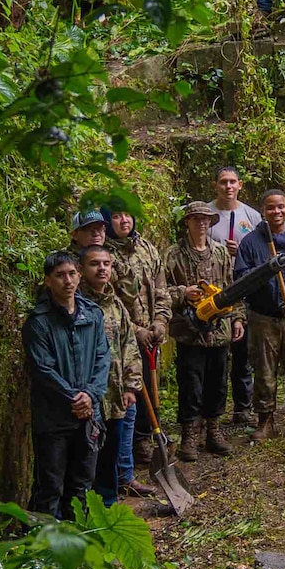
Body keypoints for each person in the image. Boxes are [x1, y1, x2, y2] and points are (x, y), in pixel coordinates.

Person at [23, 250, 108, 519]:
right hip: (54, 420)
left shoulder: (93, 315)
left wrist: (90, 396)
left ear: (79, 276)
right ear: (48, 281)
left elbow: (103, 358)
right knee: (50, 488)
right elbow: (42, 369)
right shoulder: (39, 322)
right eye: (60, 275)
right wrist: (75, 399)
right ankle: (43, 550)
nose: (67, 281)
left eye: (72, 274)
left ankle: (77, 547)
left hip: (88, 418)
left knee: (81, 486)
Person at [233, 188, 285, 439]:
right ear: (263, 212)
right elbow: (241, 278)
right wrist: (265, 272)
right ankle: (265, 420)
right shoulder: (250, 243)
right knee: (264, 370)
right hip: (263, 317)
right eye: (271, 208)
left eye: (281, 207)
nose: (276, 212)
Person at [163, 200, 242, 462]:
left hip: (219, 330)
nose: (201, 224)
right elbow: (160, 291)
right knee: (190, 383)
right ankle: (189, 434)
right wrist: (182, 293)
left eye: (206, 220)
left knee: (217, 383)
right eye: (196, 219)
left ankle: (214, 431)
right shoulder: (173, 254)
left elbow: (233, 289)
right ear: (187, 222)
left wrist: (238, 318)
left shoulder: (220, 253)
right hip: (189, 331)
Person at [104, 198, 170, 469]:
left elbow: (162, 289)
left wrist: (161, 321)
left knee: (149, 389)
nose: (124, 220)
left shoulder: (147, 249)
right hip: (121, 340)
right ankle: (131, 447)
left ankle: (148, 438)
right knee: (129, 391)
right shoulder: (104, 256)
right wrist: (135, 331)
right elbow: (106, 303)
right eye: (117, 216)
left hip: (151, 334)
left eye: (128, 215)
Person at [82, 247, 142, 505]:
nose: (102, 268)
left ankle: (108, 501)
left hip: (115, 391)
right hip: (89, 394)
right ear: (83, 269)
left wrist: (131, 385)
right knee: (87, 453)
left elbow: (129, 344)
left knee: (110, 450)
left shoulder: (115, 304)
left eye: (107, 263)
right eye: (95, 264)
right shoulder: (77, 303)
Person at [210, 167, 263, 426]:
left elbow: (263, 252)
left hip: (244, 291)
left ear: (240, 185)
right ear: (215, 186)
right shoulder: (206, 214)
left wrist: (241, 250)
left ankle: (243, 407)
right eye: (223, 182)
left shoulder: (251, 215)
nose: (228, 186)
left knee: (243, 354)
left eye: (232, 182)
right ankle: (213, 413)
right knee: (218, 356)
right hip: (214, 293)